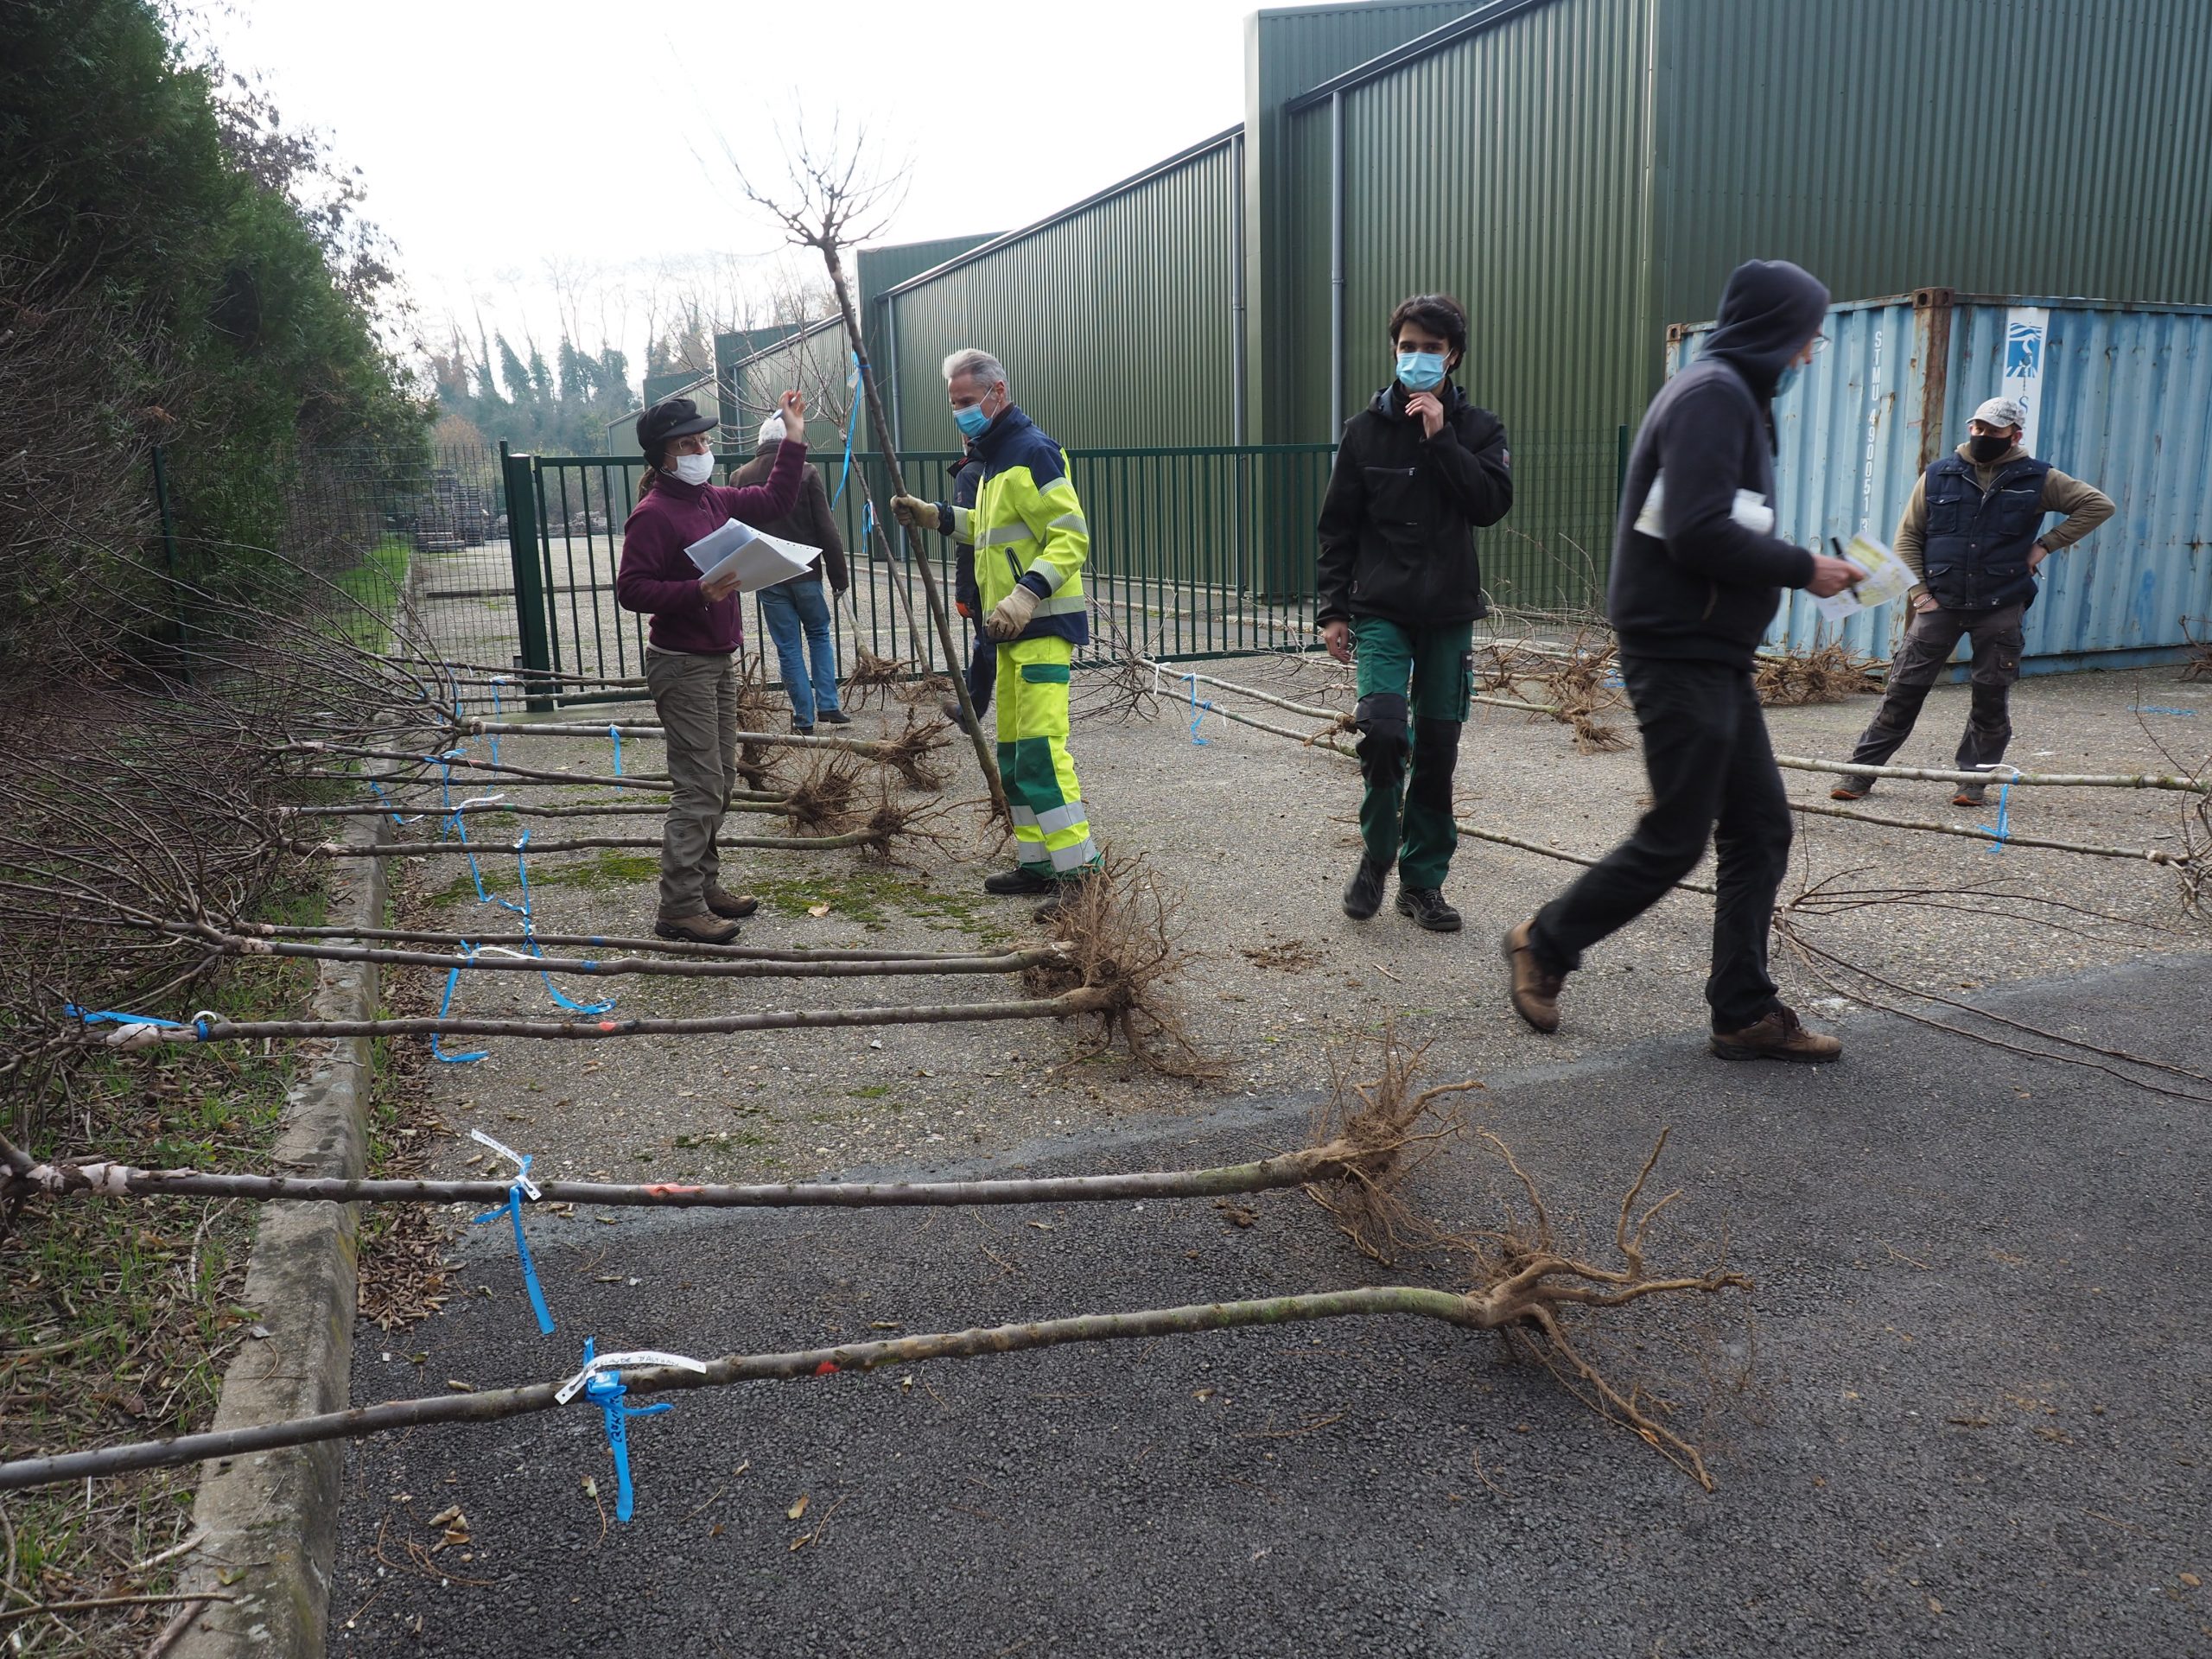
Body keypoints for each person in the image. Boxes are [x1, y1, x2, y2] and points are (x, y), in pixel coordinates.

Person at [1502, 258, 1865, 1061]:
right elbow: (1698, 529)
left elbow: (1707, 524)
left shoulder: (1731, 396)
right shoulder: (1711, 397)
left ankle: (1742, 1012)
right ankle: (1544, 941)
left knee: (1761, 828)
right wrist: (1805, 568)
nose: (1811, 352)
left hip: (1711, 650)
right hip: (1676, 648)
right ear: (1776, 329)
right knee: (1677, 834)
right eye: (1808, 333)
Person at [1315, 292, 1514, 932]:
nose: (1418, 358)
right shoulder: (1363, 431)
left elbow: (1489, 504)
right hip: (1380, 612)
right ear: (1393, 350)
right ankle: (1377, 855)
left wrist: (1441, 437)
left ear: (1453, 355)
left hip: (1448, 615)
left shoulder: (1480, 430)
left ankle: (1422, 883)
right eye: (1408, 347)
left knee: (1437, 752)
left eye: (1432, 349)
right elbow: (1337, 527)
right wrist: (1332, 611)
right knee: (1383, 733)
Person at [888, 349, 1098, 914]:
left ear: (996, 393)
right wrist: (935, 515)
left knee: (1040, 755)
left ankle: (1083, 877)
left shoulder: (1033, 453)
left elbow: (1071, 536)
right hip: (1009, 633)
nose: (959, 413)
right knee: (1012, 757)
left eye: (965, 402)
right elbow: (991, 532)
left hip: (1042, 626)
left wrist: (1026, 593)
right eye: (953, 404)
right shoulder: (997, 459)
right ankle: (1038, 865)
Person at [1831, 397, 2113, 807]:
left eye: (1993, 431)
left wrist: (2045, 546)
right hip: (1940, 601)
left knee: (1990, 693)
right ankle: (1861, 773)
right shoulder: (1939, 475)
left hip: (2001, 602)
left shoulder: (2038, 477)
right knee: (1903, 688)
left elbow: (2097, 505)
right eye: (1977, 428)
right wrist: (1920, 595)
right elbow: (1908, 536)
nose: (1982, 436)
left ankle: (1972, 782)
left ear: (2014, 435)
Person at [615, 391, 808, 944]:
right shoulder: (654, 514)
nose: (702, 448)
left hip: (717, 660)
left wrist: (792, 436)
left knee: (719, 781)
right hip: (683, 665)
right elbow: (632, 589)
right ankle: (678, 908)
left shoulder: (708, 498)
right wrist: (698, 591)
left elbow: (774, 499)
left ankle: (703, 886)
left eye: (703, 439)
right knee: (698, 788)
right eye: (688, 443)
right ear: (663, 457)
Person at [734, 412, 852, 734]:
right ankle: (828, 704)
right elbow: (826, 528)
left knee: (788, 647)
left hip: (767, 577)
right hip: (806, 573)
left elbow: (735, 532)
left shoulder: (740, 477)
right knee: (818, 635)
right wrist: (839, 578)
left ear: (760, 442)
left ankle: (804, 718)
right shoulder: (807, 472)